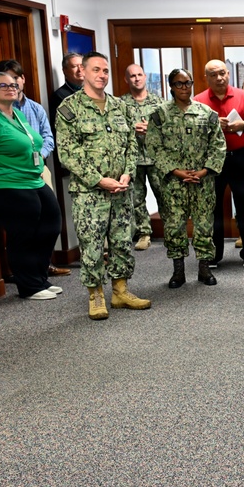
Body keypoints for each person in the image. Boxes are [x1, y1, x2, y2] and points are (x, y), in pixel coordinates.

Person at [56, 52, 151, 319]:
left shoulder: (120, 106)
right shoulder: (69, 108)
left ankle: (120, 291)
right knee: (92, 244)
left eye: (106, 71)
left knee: (122, 241)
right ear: (83, 72)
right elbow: (68, 152)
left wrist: (127, 174)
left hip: (121, 190)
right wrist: (99, 180)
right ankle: (95, 294)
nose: (102, 75)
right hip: (90, 193)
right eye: (96, 70)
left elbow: (131, 144)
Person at [0, 72, 63, 301]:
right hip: (3, 182)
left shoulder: (18, 115)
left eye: (13, 85)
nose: (10, 88)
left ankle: (39, 278)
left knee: (51, 223)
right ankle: (28, 286)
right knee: (24, 232)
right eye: (3, 85)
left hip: (32, 178)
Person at [144, 68, 225, 288]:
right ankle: (178, 271)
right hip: (173, 183)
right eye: (178, 83)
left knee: (204, 225)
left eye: (187, 83)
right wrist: (175, 170)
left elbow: (218, 145)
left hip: (202, 181)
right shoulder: (159, 115)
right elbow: (153, 146)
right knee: (174, 226)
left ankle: (204, 268)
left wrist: (205, 170)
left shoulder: (206, 113)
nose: (184, 87)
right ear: (171, 86)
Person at [0, 58, 70, 278]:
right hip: (14, 174)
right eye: (6, 80)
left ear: (23, 80)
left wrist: (40, 155)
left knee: (49, 219)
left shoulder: (35, 108)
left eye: (16, 78)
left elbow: (48, 137)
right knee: (24, 222)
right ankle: (23, 271)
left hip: (39, 169)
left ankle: (44, 265)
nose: (12, 84)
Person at [195, 60, 244, 268]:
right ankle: (214, 255)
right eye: (213, 74)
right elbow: (193, 132)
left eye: (222, 73)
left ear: (229, 74)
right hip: (213, 160)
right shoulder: (198, 101)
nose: (219, 78)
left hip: (241, 156)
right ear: (207, 77)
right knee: (213, 207)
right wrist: (213, 125)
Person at [119, 63, 167, 251]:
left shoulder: (158, 102)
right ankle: (144, 233)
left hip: (156, 158)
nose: (137, 78)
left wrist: (152, 130)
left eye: (139, 74)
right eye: (132, 76)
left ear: (145, 77)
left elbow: (169, 129)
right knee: (137, 198)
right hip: (133, 159)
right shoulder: (120, 104)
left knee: (164, 194)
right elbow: (116, 130)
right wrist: (132, 128)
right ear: (126, 79)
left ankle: (170, 231)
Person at [49, 52, 84, 120]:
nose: (80, 70)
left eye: (82, 66)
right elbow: (72, 121)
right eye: (74, 66)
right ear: (65, 71)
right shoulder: (59, 97)